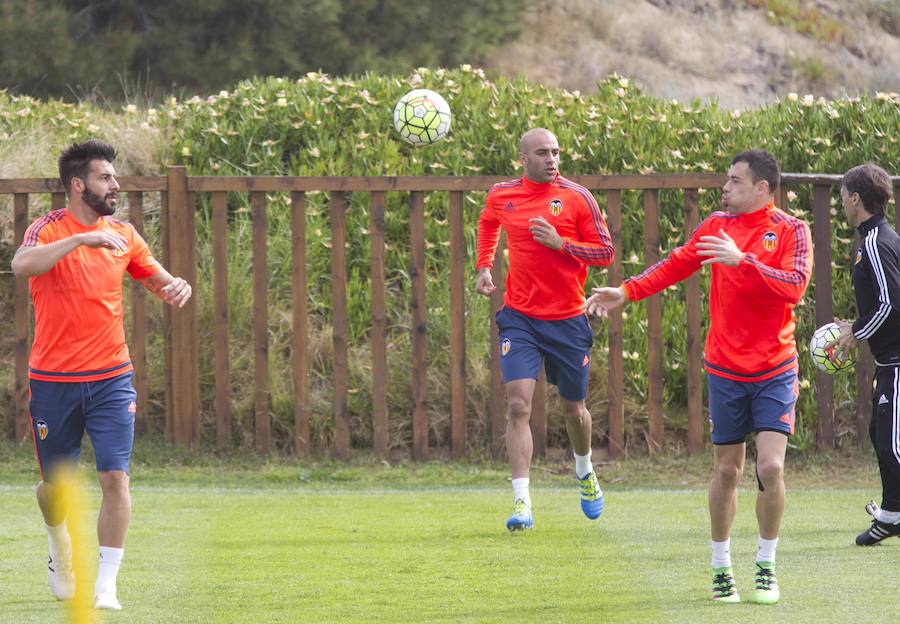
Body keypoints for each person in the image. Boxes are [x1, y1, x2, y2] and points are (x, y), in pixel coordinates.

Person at [585, 150, 812, 604]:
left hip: (775, 367)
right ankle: (721, 565)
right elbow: (676, 264)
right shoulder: (714, 227)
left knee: (770, 466)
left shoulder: (791, 230)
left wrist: (741, 260)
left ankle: (766, 564)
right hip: (725, 368)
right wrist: (625, 292)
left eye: (734, 182)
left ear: (762, 189)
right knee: (727, 470)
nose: (724, 189)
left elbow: (796, 286)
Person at [11, 140, 192, 610]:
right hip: (54, 381)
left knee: (116, 477)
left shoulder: (125, 234)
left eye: (114, 177)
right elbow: (20, 265)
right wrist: (79, 240)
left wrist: (174, 287)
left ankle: (106, 584)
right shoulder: (48, 229)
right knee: (56, 488)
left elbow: (157, 278)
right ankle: (60, 549)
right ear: (78, 185)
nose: (115, 185)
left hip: (113, 376)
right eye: (105, 177)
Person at [475, 127, 614, 532]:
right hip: (519, 318)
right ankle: (522, 504)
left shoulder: (576, 197)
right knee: (518, 405)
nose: (551, 159)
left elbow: (605, 253)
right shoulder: (502, 194)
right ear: (523, 159)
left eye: (555, 152)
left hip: (568, 320)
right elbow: (488, 223)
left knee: (574, 409)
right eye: (542, 153)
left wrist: (561, 243)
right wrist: (484, 265)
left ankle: (585, 472)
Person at [828, 163, 900, 546]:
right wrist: (854, 326)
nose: (841, 203)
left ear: (856, 199)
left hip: (898, 362)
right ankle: (891, 515)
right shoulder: (874, 239)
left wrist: (855, 333)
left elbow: (891, 303)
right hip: (889, 362)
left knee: (892, 442)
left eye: (842, 196)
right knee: (880, 434)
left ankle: (893, 515)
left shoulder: (875, 242)